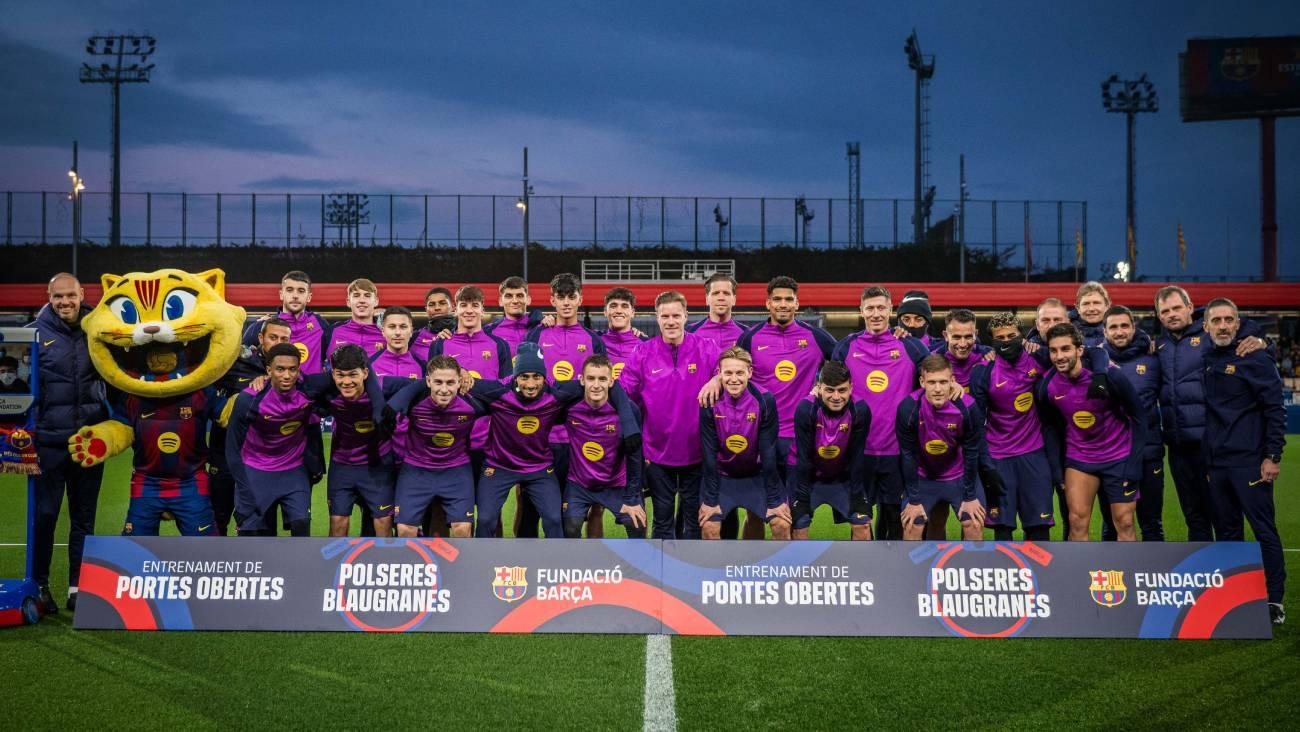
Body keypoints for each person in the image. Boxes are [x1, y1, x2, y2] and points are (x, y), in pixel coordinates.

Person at [449, 343, 637, 538]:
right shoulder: (497, 391)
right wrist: (461, 372)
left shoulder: (557, 391)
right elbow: (448, 381)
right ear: (515, 376)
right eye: (524, 377)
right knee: (486, 519)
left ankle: (554, 558)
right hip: (499, 466)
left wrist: (630, 426)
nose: (531, 384)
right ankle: (483, 558)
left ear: (544, 377)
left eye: (536, 377)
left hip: (539, 467)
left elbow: (608, 386)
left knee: (554, 520)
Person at [1154, 285, 1266, 541]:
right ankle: (1201, 566)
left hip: (1212, 445)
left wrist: (1262, 341)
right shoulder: (1159, 345)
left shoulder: (1209, 335)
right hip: (1178, 446)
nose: (1172, 314)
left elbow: (1246, 326)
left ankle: (1232, 567)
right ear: (1159, 316)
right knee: (1194, 518)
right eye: (1165, 311)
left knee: (1225, 518)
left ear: (1190, 308)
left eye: (1177, 308)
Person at [1201, 298, 1287, 625]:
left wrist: (1272, 455)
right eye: (1216, 320)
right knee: (1226, 533)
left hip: (1250, 461)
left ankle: (1274, 600)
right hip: (1217, 464)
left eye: (1229, 320)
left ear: (1238, 324)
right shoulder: (1207, 356)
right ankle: (1234, 600)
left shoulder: (1256, 356)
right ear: (1206, 326)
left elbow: (1275, 409)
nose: (1223, 326)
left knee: (1264, 530)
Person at [29, 273, 109, 613]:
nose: (65, 302)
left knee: (84, 519)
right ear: (49, 297)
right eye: (58, 296)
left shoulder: (98, 329)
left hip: (88, 443)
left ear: (82, 294)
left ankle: (79, 587)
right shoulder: (33, 334)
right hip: (47, 443)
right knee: (44, 516)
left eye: (70, 296)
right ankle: (39, 586)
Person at [734, 276, 835, 536]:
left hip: (800, 439)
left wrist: (822, 388)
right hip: (760, 437)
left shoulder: (816, 337)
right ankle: (753, 561)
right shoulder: (750, 338)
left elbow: (844, 368)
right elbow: (732, 371)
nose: (783, 304)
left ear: (797, 303)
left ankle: (795, 562)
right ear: (767, 303)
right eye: (777, 299)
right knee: (756, 511)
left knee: (798, 514)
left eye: (788, 299)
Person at [831, 286, 932, 540]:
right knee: (860, 524)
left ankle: (893, 566)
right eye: (870, 308)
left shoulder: (911, 347)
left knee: (893, 520)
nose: (875, 313)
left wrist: (953, 384)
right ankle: (862, 567)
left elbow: (935, 379)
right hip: (858, 451)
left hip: (896, 451)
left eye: (881, 307)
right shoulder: (846, 347)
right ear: (861, 310)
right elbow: (830, 389)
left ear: (890, 310)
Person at [619, 291, 721, 539]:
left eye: (676, 315)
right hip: (656, 453)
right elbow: (622, 394)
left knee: (693, 523)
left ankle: (689, 565)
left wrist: (718, 379)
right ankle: (661, 565)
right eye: (665, 316)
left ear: (686, 316)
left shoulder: (707, 349)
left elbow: (731, 373)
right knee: (662, 522)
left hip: (697, 452)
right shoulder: (642, 353)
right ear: (657, 318)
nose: (671, 321)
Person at [1038, 323, 1145, 541]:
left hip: (1118, 457)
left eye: (1065, 349)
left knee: (1124, 522)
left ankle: (1128, 564)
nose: (1059, 356)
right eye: (1053, 350)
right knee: (1077, 522)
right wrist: (1057, 469)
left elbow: (1139, 417)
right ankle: (1079, 566)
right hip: (1080, 458)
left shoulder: (1110, 376)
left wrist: (1134, 464)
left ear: (1079, 350)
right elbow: (1050, 428)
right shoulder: (1047, 386)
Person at [522, 273, 605, 537]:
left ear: (580, 299)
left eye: (571, 297)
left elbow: (601, 387)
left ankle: (570, 560)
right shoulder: (537, 334)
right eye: (561, 297)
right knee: (530, 510)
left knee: (573, 514)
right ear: (552, 300)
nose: (566, 302)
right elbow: (525, 381)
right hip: (540, 436)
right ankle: (525, 558)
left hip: (577, 438)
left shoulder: (593, 340)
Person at [969, 312, 1054, 542]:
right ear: (992, 342)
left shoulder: (1040, 358)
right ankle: (1004, 566)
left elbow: (1079, 353)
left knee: (1039, 528)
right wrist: (985, 464)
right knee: (1003, 528)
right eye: (1000, 338)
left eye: (1011, 336)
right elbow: (977, 423)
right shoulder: (983, 370)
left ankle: (1039, 567)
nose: (1007, 341)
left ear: (1022, 336)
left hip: (1034, 453)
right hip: (998, 456)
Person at [387, 355, 486, 538]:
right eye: (438, 382)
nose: (444, 389)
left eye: (450, 383)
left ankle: (461, 560)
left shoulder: (473, 404)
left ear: (460, 382)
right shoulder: (413, 400)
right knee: (405, 530)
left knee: (462, 529)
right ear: (428, 381)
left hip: (456, 470)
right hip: (416, 470)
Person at [209, 318, 293, 536]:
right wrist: (223, 411)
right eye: (273, 337)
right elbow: (207, 393)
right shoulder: (235, 363)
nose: (278, 343)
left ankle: (260, 558)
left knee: (261, 520)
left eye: (284, 339)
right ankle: (216, 557)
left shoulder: (290, 373)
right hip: (226, 454)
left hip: (263, 460)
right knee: (218, 516)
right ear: (261, 338)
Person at [698, 348, 791, 540]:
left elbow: (768, 452)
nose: (734, 379)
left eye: (739, 373)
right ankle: (714, 562)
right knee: (709, 525)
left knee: (781, 523)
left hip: (756, 475)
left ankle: (760, 560)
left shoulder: (764, 400)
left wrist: (774, 500)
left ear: (750, 372)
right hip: (722, 476)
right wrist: (710, 500)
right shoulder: (709, 400)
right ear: (719, 374)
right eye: (728, 373)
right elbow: (709, 453)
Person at [225, 343, 316, 537]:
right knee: (250, 532)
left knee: (301, 524)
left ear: (299, 370)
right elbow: (232, 448)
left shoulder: (309, 390)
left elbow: (342, 377)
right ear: (268, 370)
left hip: (293, 470)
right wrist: (243, 487)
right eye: (280, 369)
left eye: (292, 369)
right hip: (256, 469)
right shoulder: (248, 399)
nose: (286, 375)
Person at [897, 355, 986, 541]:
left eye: (943, 382)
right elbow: (908, 455)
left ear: (952, 381)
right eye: (932, 382)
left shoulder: (967, 407)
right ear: (922, 382)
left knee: (973, 522)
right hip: (923, 477)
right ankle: (917, 562)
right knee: (912, 524)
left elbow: (971, 453)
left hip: (958, 476)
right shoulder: (908, 408)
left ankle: (970, 561)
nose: (937, 389)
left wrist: (970, 496)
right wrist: (914, 499)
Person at [562, 355, 648, 538]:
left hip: (615, 485)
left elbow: (635, 457)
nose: (596, 385)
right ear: (581, 380)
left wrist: (633, 498)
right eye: (591, 378)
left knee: (637, 524)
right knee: (570, 527)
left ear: (611, 382)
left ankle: (638, 559)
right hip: (579, 484)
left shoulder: (628, 410)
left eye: (602, 379)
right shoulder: (569, 407)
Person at [314, 344, 394, 538]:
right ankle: (337, 559)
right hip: (343, 465)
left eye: (352, 375)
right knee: (338, 522)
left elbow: (422, 386)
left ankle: (386, 557)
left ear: (365, 373)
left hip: (378, 466)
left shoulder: (385, 387)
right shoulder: (328, 394)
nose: (346, 382)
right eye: (340, 375)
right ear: (332, 374)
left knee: (383, 523)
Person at [1099, 305, 1164, 541]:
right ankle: (1109, 565)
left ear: (1134, 328)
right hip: (1110, 456)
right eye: (1113, 327)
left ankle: (1154, 566)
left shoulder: (1154, 358)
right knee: (1112, 524)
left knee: (1151, 523)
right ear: (1104, 332)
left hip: (1148, 452)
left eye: (1124, 326)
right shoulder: (1095, 361)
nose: (1119, 332)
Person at [789, 360, 872, 540]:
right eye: (829, 390)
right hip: (809, 478)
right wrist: (802, 499)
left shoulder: (860, 410)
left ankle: (861, 561)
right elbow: (803, 458)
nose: (836, 396)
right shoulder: (806, 409)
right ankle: (798, 560)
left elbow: (857, 456)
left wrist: (857, 497)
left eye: (842, 390)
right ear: (819, 388)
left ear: (851, 388)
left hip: (842, 479)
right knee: (799, 524)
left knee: (863, 525)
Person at [243, 270, 331, 374]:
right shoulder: (261, 326)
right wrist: (258, 378)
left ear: (309, 297)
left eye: (301, 291)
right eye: (290, 290)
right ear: (281, 294)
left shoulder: (320, 323)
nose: (295, 295)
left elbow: (332, 356)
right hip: (275, 385)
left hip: (312, 385)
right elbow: (243, 362)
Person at [482, 276, 546, 356]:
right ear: (500, 301)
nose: (515, 301)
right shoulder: (488, 331)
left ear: (528, 300)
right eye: (509, 296)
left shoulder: (541, 327)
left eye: (520, 296)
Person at [686, 273, 747, 350]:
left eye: (726, 293)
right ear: (707, 299)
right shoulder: (690, 332)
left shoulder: (746, 334)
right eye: (715, 293)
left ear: (734, 300)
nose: (721, 298)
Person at [330, 278, 386, 360]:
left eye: (367, 296)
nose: (362, 300)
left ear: (376, 301)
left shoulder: (387, 334)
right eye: (356, 295)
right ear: (348, 302)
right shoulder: (333, 331)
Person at [411, 286, 457, 361]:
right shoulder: (413, 337)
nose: (437, 308)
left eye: (442, 303)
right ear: (426, 310)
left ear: (453, 307)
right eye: (432, 304)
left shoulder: (464, 334)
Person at [1070, 281, 1110, 347]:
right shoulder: (1066, 334)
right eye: (1086, 304)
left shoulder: (1119, 331)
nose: (1091, 309)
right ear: (1078, 308)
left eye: (1096, 303)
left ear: (1107, 306)